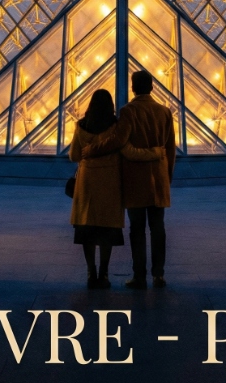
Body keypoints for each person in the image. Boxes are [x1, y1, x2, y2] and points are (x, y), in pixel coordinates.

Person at [81, 68, 176, 289]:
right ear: (152, 87)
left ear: (133, 88)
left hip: (136, 180)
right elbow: (170, 150)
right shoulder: (165, 112)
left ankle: (139, 276)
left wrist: (92, 149)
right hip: (159, 179)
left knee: (137, 230)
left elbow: (118, 140)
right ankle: (159, 275)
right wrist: (167, 177)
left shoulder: (128, 112)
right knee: (158, 229)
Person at [69, 88, 162, 289]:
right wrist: (154, 153)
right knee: (106, 230)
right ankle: (104, 274)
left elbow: (74, 155)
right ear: (110, 106)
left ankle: (91, 273)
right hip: (109, 182)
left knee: (87, 230)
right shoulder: (116, 127)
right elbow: (126, 151)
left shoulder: (81, 126)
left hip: (87, 183)